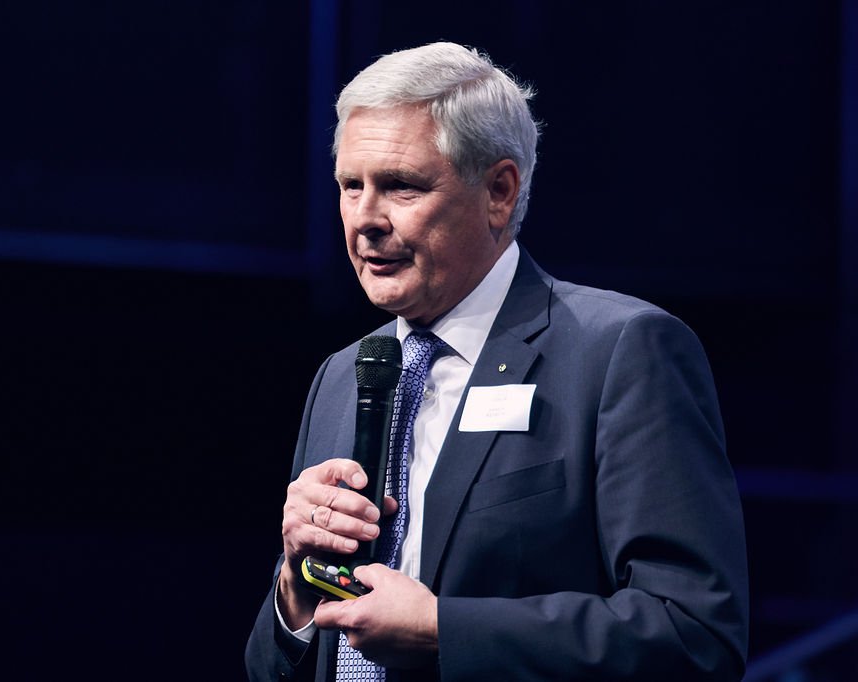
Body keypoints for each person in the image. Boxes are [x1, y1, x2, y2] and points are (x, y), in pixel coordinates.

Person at [245, 41, 749, 681]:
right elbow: (268, 669)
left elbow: (694, 635)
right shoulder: (343, 378)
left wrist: (442, 631)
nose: (365, 218)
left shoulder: (620, 352)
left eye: (400, 186)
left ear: (499, 192)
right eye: (351, 186)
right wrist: (295, 588)